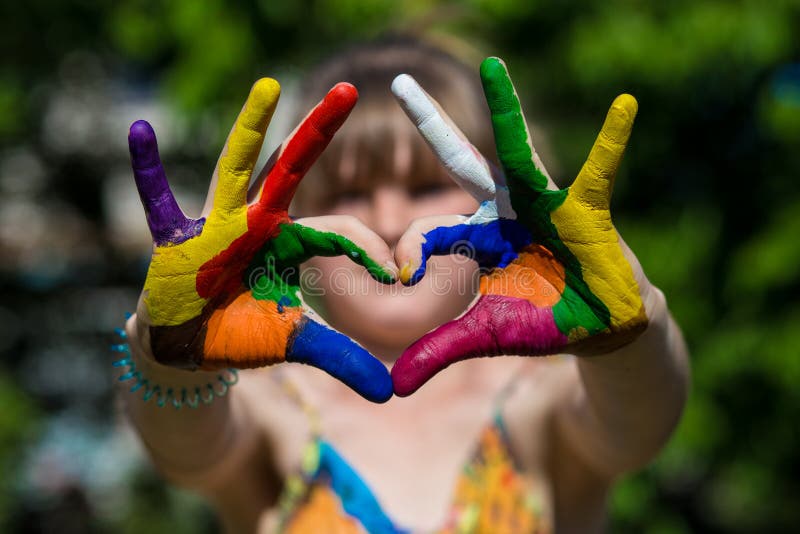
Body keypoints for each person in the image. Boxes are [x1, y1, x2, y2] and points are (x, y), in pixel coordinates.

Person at [115, 37, 689, 533]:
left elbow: (639, 423)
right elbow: (185, 451)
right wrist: (166, 352)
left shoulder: (539, 397)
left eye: (425, 185)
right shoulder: (269, 403)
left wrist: (635, 329)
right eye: (346, 194)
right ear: (294, 220)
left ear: (499, 201)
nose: (387, 220)